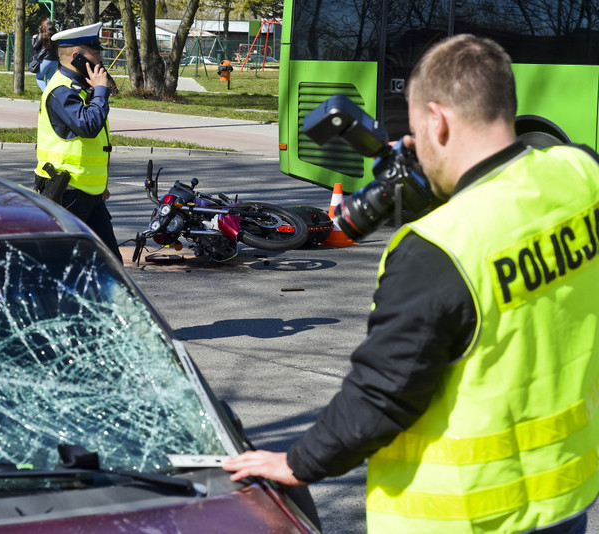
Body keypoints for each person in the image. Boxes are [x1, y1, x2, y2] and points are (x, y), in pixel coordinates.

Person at [223, 34, 599, 533]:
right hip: (564, 497)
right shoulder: (581, 172)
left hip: (465, 517)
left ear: (437, 121)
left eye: (417, 129)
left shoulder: (438, 248)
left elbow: (382, 393)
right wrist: (450, 185)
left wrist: (298, 462)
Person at [33, 21, 122, 262]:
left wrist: (99, 184)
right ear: (77, 57)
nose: (100, 58)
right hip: (67, 192)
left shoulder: (81, 87)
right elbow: (88, 126)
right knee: (60, 263)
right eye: (95, 52)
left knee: (110, 263)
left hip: (89, 194)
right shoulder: (61, 91)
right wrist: (101, 91)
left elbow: (92, 144)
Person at [32, 18, 59, 91]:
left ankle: (47, 94)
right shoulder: (56, 35)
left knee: (39, 78)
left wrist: (34, 38)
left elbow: (35, 46)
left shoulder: (42, 35)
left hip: (45, 60)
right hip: (55, 61)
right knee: (49, 79)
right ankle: (52, 95)